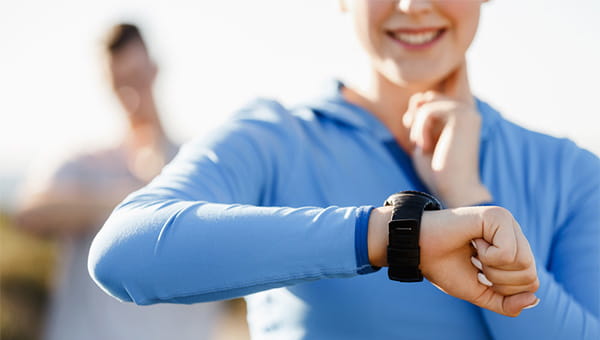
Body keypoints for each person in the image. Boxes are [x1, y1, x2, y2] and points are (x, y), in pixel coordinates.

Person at [89, 1, 599, 340]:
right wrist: (392, 236)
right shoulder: (276, 138)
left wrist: (469, 195)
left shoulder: (571, 172)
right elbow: (125, 252)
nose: (413, 5)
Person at [15, 23, 222, 340]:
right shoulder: (83, 159)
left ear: (154, 70)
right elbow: (31, 213)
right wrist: (131, 199)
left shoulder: (198, 159)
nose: (130, 95)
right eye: (119, 82)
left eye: (136, 78)